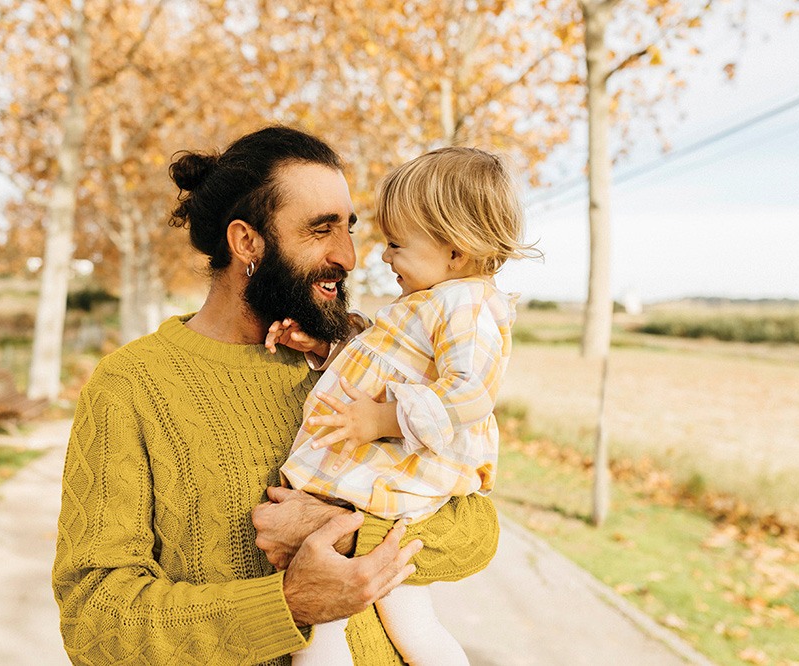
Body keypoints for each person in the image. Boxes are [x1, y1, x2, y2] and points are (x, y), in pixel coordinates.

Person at [51, 126, 500, 665]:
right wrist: (287, 602)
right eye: (321, 230)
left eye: (349, 228)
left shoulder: (356, 363)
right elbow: (95, 620)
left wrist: (342, 535)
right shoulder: (132, 386)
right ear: (247, 243)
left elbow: (476, 528)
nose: (351, 257)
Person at [265, 147, 536, 666]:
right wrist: (322, 345)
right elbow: (385, 363)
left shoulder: (467, 305)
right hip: (389, 482)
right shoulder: (434, 301)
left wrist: (382, 420)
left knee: (323, 616)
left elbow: (472, 393)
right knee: (411, 619)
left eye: (395, 244)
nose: (383, 257)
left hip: (388, 479)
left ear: (455, 252)